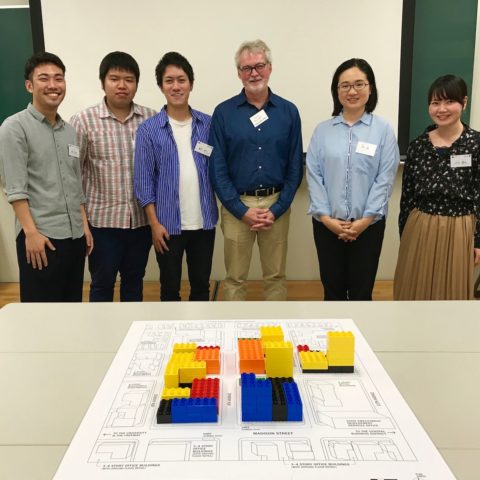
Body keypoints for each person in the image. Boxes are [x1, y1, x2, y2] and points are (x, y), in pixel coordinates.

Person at [209, 39, 303, 301]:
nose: (253, 73)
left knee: (275, 277)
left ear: (270, 68)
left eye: (259, 66)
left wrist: (277, 208)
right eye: (246, 68)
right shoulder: (223, 113)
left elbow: (295, 166)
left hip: (276, 205)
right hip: (237, 207)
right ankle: (234, 326)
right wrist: (241, 210)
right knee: (235, 279)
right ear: (238, 73)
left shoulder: (288, 112)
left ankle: (274, 326)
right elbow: (217, 168)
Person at [0, 52, 93, 302]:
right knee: (40, 312)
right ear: (29, 85)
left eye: (58, 78)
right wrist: (31, 234)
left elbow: (75, 183)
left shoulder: (70, 131)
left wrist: (84, 226)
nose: (53, 85)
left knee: (71, 306)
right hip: (41, 238)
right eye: (44, 78)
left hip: (74, 236)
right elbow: (15, 188)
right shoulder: (14, 127)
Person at [306, 58, 399, 301]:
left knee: (361, 293)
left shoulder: (383, 130)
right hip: (327, 226)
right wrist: (327, 219)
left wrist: (364, 221)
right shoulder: (322, 131)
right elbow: (314, 176)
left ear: (370, 88)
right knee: (332, 292)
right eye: (345, 85)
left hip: (368, 227)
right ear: (336, 91)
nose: (352, 91)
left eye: (359, 84)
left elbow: (385, 178)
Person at [70, 52, 155, 302]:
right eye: (114, 79)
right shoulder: (83, 121)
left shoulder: (150, 119)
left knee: (134, 282)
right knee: (102, 285)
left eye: (129, 80)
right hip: (102, 224)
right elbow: (73, 176)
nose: (122, 85)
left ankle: (131, 326)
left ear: (136, 84)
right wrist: (83, 224)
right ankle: (101, 327)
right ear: (102, 82)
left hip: (140, 222)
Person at [134, 52, 218, 301]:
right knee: (169, 288)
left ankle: (201, 325)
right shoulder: (149, 129)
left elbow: (219, 169)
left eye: (181, 80)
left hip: (204, 222)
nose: (176, 86)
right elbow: (143, 182)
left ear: (191, 84)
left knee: (201, 285)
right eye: (169, 81)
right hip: (167, 225)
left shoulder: (208, 124)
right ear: (161, 86)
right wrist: (154, 224)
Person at [394, 75, 480, 300]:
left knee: (452, 293)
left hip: (460, 228)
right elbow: (408, 196)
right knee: (413, 289)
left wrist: (479, 240)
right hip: (420, 226)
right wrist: (405, 234)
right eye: (435, 102)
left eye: (449, 101)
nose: (441, 109)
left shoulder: (476, 144)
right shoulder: (418, 145)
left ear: (464, 102)